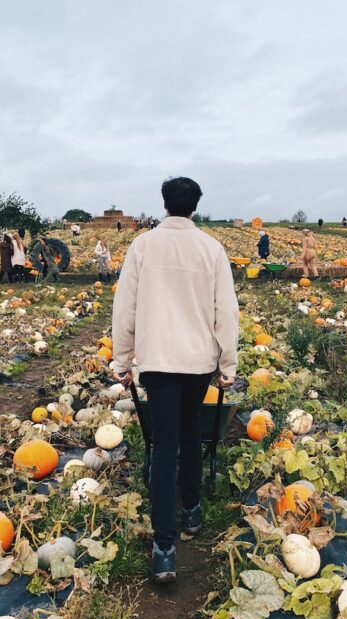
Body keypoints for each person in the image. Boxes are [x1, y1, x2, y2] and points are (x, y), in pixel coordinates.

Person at [112, 176, 239, 583]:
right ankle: (192, 510)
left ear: (164, 204)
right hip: (198, 362)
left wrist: (121, 360)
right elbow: (227, 311)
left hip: (158, 361)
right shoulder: (212, 249)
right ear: (194, 206)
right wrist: (228, 364)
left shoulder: (143, 246)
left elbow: (125, 306)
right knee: (189, 433)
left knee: (165, 445)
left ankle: (164, 547)